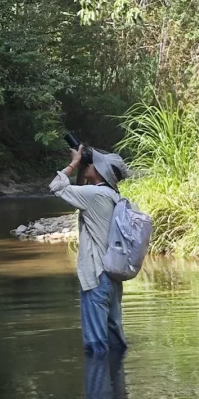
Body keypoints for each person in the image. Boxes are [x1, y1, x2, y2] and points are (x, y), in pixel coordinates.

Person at [50, 145, 131, 357]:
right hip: (112, 277)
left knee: (96, 346)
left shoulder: (94, 195)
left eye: (92, 163)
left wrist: (74, 162)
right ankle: (118, 385)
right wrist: (84, 168)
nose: (88, 164)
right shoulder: (111, 195)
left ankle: (98, 387)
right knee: (116, 341)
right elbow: (78, 195)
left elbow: (57, 186)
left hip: (96, 277)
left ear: (101, 171)